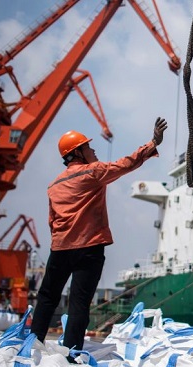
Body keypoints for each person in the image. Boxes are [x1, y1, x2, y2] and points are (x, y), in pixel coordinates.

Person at [30, 118, 168, 354]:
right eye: (88, 147)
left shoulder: (53, 185)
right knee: (79, 303)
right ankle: (72, 353)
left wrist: (62, 239)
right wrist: (153, 142)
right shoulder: (93, 172)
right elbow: (125, 164)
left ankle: (32, 344)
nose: (93, 150)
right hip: (89, 248)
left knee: (46, 298)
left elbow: (52, 221)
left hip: (60, 248)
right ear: (78, 153)